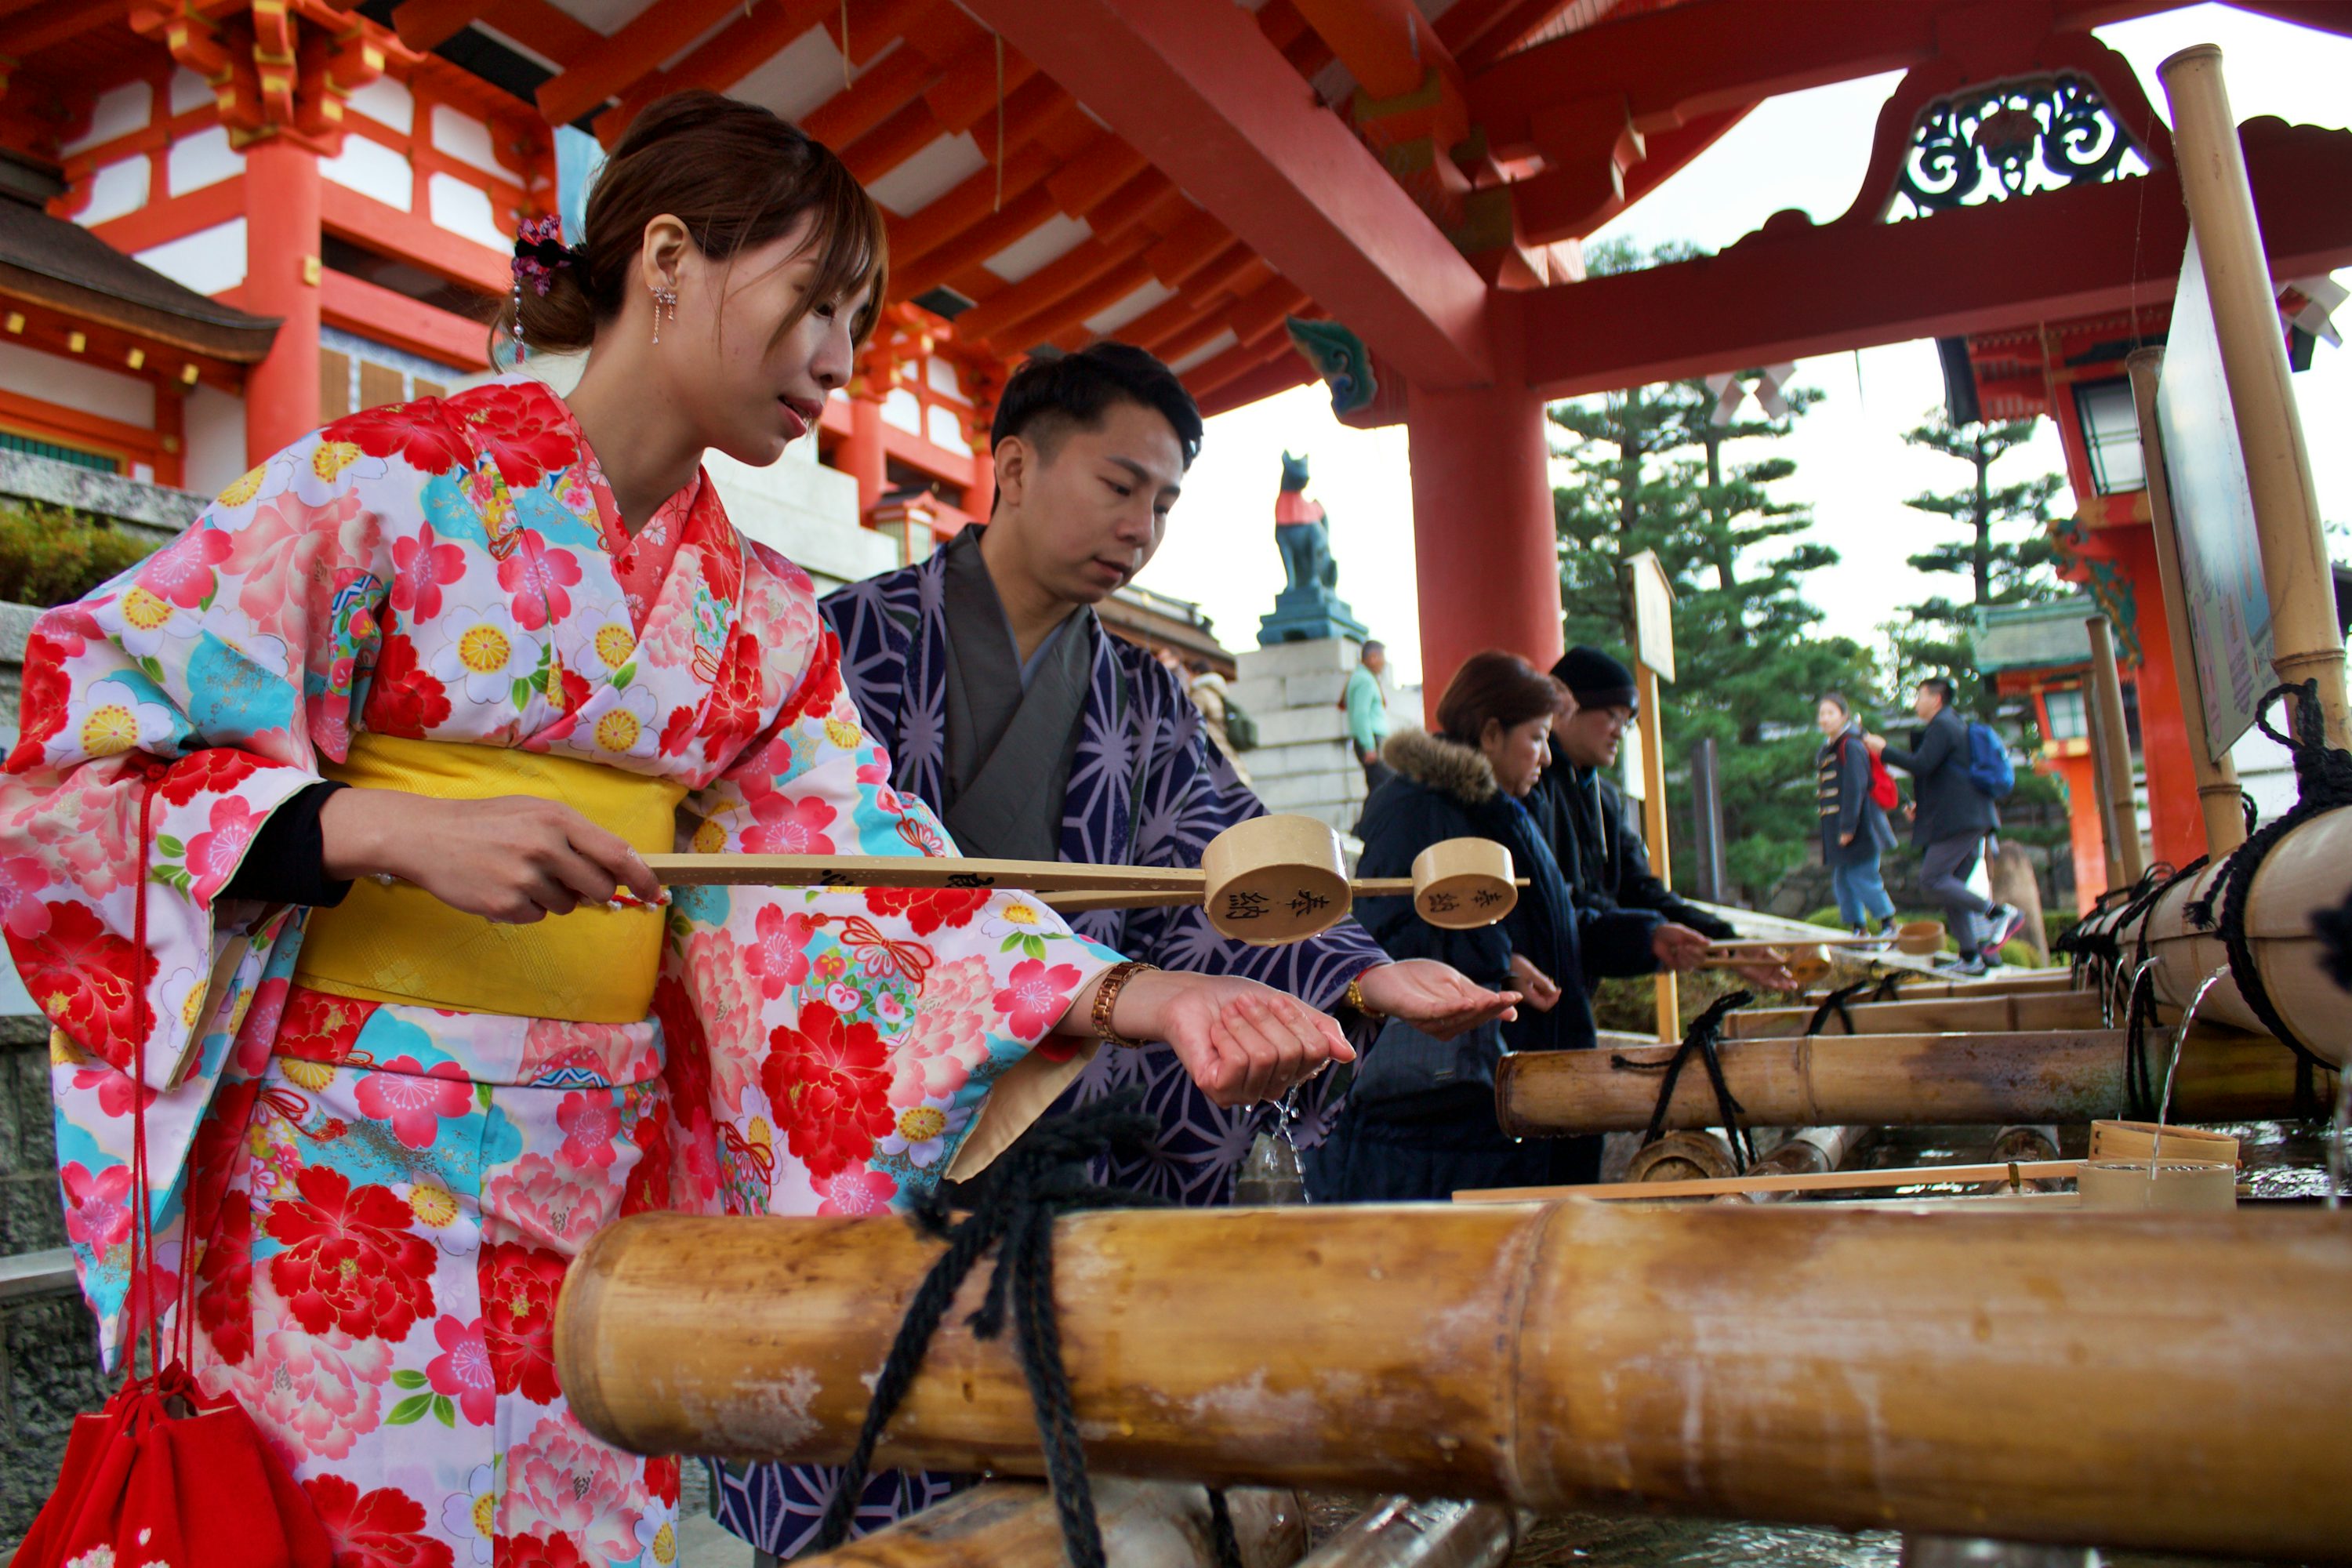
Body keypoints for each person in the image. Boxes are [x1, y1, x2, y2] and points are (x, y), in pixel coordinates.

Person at [1, 93, 1350, 1568]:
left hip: (599, 1213)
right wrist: (374, 829)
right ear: (665, 259)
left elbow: (858, 878)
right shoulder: (374, 490)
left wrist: (1139, 995)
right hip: (340, 1199)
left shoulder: (759, 617)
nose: (840, 364)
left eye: (859, 322)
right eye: (815, 305)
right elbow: (80, 756)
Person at [792, 340, 1511, 1555]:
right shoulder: (834, 648)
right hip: (878, 1129)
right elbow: (804, 898)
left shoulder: (1144, 696)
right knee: (876, 1478)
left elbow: (1224, 860)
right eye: (1120, 486)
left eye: (1166, 503)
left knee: (1086, 1501)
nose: (1144, 526)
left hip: (1083, 1141)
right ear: (1013, 467)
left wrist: (1359, 969)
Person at [1305, 652, 1669, 1201]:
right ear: (1493, 733)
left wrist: (1649, 937)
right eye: (1538, 738)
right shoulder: (1416, 806)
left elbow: (1553, 924)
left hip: (1501, 1101)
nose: (1547, 757)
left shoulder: (1506, 808)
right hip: (1442, 1118)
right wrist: (1501, 964)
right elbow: (1386, 938)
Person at [1530, 646, 1737, 943]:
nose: (1620, 732)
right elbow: (1556, 901)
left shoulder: (1605, 798)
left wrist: (1727, 941)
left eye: (1627, 722)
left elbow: (1638, 889)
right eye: (1613, 716)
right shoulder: (1530, 785)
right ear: (1565, 709)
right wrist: (1650, 935)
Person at [1866, 677, 2027, 975]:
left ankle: (2001, 913)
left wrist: (1883, 750)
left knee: (1932, 879)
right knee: (1949, 888)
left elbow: (1921, 764)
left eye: (1919, 696)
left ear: (1936, 699)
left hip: (1961, 821)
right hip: (1966, 817)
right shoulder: (1951, 725)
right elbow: (1943, 777)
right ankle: (1970, 958)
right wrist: (1921, 807)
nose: (1916, 702)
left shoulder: (1943, 725)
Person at [1815, 691, 1897, 936]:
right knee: (1843, 881)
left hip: (1861, 824)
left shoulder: (1850, 745)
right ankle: (1859, 929)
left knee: (1863, 875)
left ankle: (1889, 924)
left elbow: (1855, 787)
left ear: (1844, 716)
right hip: (1842, 827)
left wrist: (1848, 827)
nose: (1825, 719)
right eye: (1822, 714)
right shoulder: (1829, 748)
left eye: (1831, 713)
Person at [1182, 655, 1252, 786]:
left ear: (1196, 673)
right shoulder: (1217, 693)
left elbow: (1189, 719)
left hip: (1212, 747)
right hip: (1225, 748)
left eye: (1189, 675)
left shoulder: (1201, 694)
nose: (1188, 679)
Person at [1345, 640, 1391, 794]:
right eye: (1382, 658)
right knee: (1384, 788)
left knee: (1378, 789)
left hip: (1373, 740)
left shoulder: (1363, 678)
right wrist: (1369, 746)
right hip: (1373, 740)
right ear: (1373, 657)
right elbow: (1361, 714)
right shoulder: (1365, 680)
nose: (1384, 663)